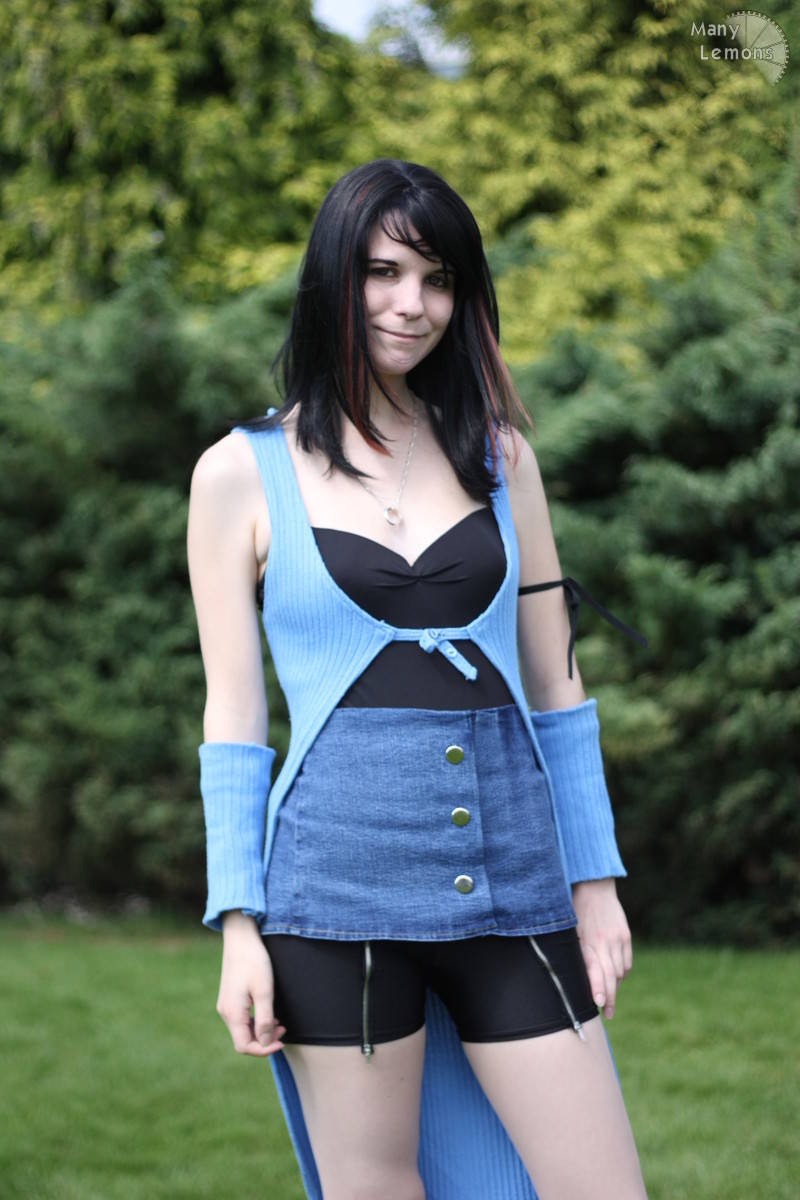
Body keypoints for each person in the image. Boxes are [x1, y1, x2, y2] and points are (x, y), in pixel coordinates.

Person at [187, 158, 649, 1199]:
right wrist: (238, 926)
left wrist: (595, 881)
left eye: (438, 279)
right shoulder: (239, 473)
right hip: (330, 901)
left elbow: (556, 685)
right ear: (332, 279)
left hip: (514, 884)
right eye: (383, 271)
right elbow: (234, 719)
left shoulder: (500, 459)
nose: (412, 303)